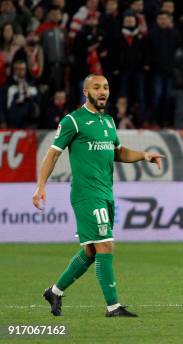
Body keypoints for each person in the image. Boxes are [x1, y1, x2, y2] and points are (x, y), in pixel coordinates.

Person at [33, 74, 164, 317]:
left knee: (91, 251)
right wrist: (41, 186)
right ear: (86, 92)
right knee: (105, 245)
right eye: (97, 87)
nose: (103, 91)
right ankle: (113, 307)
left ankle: (55, 291)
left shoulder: (109, 122)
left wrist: (145, 155)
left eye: (105, 87)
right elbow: (52, 154)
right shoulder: (73, 120)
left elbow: (119, 152)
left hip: (106, 193)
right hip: (86, 194)